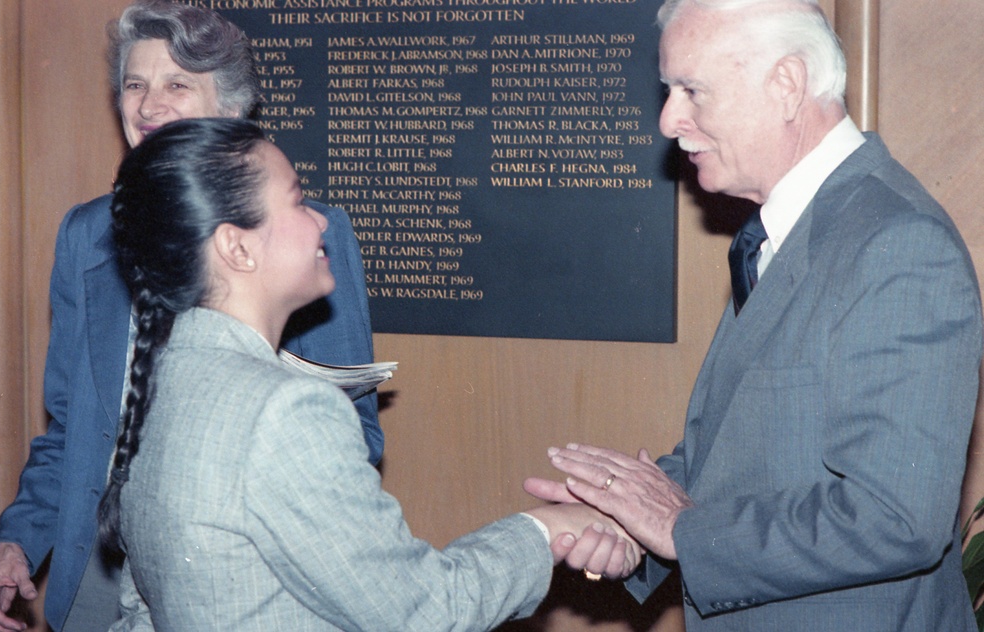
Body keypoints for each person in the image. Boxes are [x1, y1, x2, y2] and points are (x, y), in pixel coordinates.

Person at [526, 0, 983, 630]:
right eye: (669, 90)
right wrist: (620, 517)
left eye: (692, 90)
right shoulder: (790, 228)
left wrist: (679, 529)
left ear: (787, 85)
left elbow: (894, 518)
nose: (668, 120)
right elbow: (740, 457)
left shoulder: (895, 244)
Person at [98, 117, 640, 631]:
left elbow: (140, 612)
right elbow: (424, 611)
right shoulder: (282, 412)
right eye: (298, 200)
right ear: (236, 247)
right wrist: (544, 529)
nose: (322, 221)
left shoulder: (162, 379)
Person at [0, 2, 381, 631]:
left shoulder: (305, 239)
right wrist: (19, 541)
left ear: (230, 110)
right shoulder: (86, 237)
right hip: (99, 576)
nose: (147, 106)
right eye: (134, 84)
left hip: (238, 578)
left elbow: (354, 430)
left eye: (177, 85)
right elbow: (68, 429)